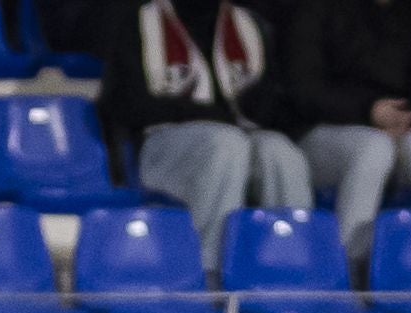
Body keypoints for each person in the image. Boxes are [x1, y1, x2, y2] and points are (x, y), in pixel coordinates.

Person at [99, 0, 313, 275]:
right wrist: (199, 113)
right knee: (225, 143)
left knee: (280, 152)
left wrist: (256, 105)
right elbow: (122, 103)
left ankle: (289, 267)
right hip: (165, 142)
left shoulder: (249, 25)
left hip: (240, 138)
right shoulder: (141, 21)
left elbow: (271, 105)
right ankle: (207, 270)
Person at [287, 0, 411, 271]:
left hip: (395, 130)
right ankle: (347, 271)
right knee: (373, 148)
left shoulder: (408, 13)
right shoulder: (315, 9)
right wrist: (368, 111)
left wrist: (410, 116)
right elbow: (303, 91)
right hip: (320, 137)